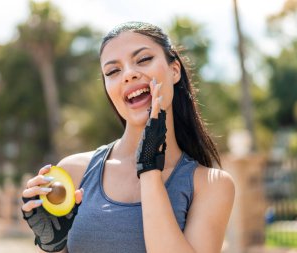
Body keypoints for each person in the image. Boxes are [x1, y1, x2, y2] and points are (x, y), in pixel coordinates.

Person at [21, 21, 235, 253]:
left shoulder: (212, 185)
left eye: (143, 60)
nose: (129, 75)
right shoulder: (74, 172)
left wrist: (150, 168)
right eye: (113, 71)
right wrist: (53, 245)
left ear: (174, 71)